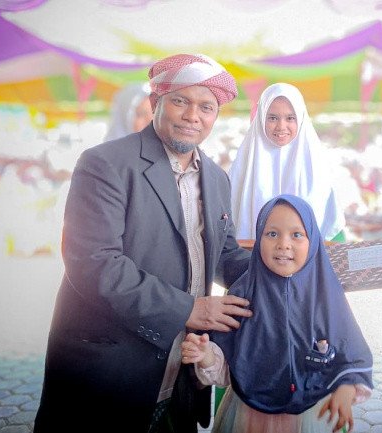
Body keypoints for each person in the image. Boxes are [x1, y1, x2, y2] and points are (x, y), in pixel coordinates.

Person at [34, 54, 254, 433]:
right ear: (156, 103)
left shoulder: (216, 178)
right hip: (111, 366)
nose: (193, 116)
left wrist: (295, 270)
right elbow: (94, 263)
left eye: (206, 107)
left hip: (181, 367)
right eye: (181, 101)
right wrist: (189, 309)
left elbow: (225, 253)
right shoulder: (106, 163)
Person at [181, 194, 373, 433]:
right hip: (250, 415)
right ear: (259, 237)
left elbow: (351, 354)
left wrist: (346, 387)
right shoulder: (242, 295)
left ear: (313, 241)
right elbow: (228, 369)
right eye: (272, 234)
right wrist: (206, 355)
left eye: (297, 234)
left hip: (313, 413)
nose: (284, 244)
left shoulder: (326, 296)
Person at [229, 83, 346, 242]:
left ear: (301, 119)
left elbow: (333, 231)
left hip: (311, 257)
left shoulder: (318, 169)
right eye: (273, 118)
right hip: (249, 256)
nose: (281, 126)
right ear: (261, 118)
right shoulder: (242, 167)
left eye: (290, 118)